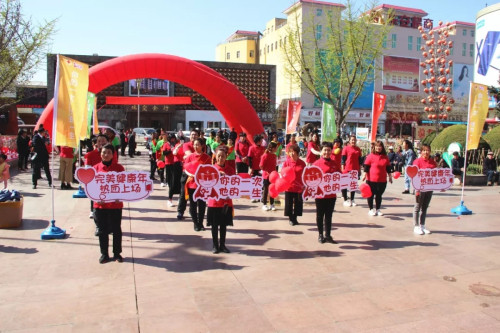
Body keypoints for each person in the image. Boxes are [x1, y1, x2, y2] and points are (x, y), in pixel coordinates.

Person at [93, 144, 125, 264]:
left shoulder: (119, 168)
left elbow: (125, 186)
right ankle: (104, 254)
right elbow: (91, 187)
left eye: (109, 153)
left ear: (113, 154)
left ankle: (117, 253)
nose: (106, 155)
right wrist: (96, 197)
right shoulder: (95, 168)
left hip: (115, 205)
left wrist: (120, 196)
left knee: (116, 229)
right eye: (103, 152)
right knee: (102, 230)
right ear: (100, 153)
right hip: (100, 205)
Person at [207, 146, 235, 254]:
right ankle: (215, 245)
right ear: (215, 157)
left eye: (223, 156)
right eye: (218, 156)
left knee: (223, 225)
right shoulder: (211, 169)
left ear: (226, 157)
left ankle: (222, 245)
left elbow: (234, 184)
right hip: (214, 202)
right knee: (214, 225)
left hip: (226, 202)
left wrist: (226, 176)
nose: (220, 158)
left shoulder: (230, 170)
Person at [313, 142, 340, 244]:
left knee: (329, 215)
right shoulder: (316, 164)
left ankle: (328, 235)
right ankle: (320, 235)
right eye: (325, 150)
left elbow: (340, 177)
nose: (327, 152)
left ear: (331, 151)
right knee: (320, 215)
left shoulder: (334, 163)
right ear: (321, 151)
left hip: (331, 195)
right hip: (320, 195)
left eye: (329, 150)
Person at [183, 138, 212, 231]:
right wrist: (191, 174)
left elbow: (209, 170)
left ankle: (201, 223)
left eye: (198, 145)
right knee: (193, 204)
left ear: (202, 146)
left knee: (202, 204)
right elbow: (185, 168)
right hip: (192, 183)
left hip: (202, 184)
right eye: (194, 145)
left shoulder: (207, 157)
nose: (196, 147)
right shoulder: (190, 157)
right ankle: (195, 223)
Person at [85, 134, 110, 228]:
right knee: (97, 207)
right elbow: (87, 169)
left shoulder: (112, 154)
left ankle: (108, 225)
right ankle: (98, 226)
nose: (101, 143)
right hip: (95, 182)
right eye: (99, 141)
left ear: (107, 142)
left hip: (107, 183)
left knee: (107, 206)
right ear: (96, 143)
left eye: (103, 141)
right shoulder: (90, 154)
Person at [362, 140, 392, 216]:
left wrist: (390, 177)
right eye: (377, 146)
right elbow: (366, 166)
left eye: (380, 146)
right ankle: (371, 209)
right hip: (371, 180)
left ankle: (378, 209)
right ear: (374, 147)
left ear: (382, 147)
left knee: (379, 195)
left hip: (382, 180)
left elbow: (388, 168)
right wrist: (364, 175)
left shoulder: (385, 157)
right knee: (370, 195)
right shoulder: (370, 156)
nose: (378, 148)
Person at [412, 144, 436, 235]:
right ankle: (416, 226)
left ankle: (422, 225)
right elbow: (414, 175)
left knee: (425, 207)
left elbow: (436, 175)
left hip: (429, 188)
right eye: (424, 150)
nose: (426, 152)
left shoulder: (432, 163)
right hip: (419, 188)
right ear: (421, 152)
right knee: (418, 207)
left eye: (428, 150)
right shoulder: (417, 162)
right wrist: (416, 189)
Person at [176, 129, 199, 220]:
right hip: (187, 172)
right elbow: (190, 155)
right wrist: (195, 155)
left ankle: (192, 211)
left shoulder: (202, 145)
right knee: (183, 193)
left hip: (197, 174)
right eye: (192, 135)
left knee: (194, 194)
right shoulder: (186, 145)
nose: (194, 136)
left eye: (195, 135)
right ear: (190, 136)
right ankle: (180, 211)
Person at [283, 144, 306, 226]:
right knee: (289, 204)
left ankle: (295, 218)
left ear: (297, 153)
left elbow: (305, 175)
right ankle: (290, 218)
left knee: (298, 203)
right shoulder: (287, 162)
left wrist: (304, 185)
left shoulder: (302, 163)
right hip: (289, 186)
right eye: (290, 152)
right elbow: (283, 173)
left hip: (299, 187)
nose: (292, 154)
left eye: (293, 152)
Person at [341, 135, 362, 207]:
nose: (353, 141)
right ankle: (345, 199)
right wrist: (343, 169)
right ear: (349, 141)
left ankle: (352, 199)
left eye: (354, 140)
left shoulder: (358, 149)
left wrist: (359, 170)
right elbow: (343, 160)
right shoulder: (346, 148)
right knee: (344, 185)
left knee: (353, 185)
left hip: (355, 169)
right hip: (347, 169)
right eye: (352, 140)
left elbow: (360, 161)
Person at [162, 133, 181, 206]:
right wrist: (171, 150)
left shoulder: (176, 144)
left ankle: (179, 197)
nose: (173, 139)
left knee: (177, 181)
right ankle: (170, 198)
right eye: (172, 138)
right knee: (170, 179)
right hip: (168, 163)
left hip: (175, 163)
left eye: (174, 138)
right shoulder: (166, 144)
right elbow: (164, 153)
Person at [260, 141, 278, 211]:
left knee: (272, 189)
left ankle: (272, 204)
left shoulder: (274, 156)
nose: (277, 149)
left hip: (273, 176)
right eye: (276, 148)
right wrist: (266, 171)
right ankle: (264, 204)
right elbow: (261, 166)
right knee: (266, 190)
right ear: (272, 148)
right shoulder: (265, 155)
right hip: (266, 176)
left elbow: (274, 166)